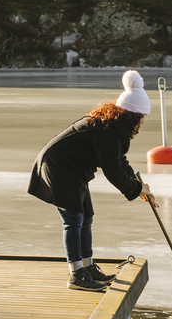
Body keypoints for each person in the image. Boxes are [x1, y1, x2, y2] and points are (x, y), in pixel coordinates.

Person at [28, 69, 155, 291]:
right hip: (58, 168)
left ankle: (87, 266)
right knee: (74, 219)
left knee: (86, 216)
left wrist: (139, 187)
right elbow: (113, 170)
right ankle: (77, 275)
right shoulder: (106, 131)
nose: (140, 123)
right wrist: (135, 188)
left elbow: (119, 160)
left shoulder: (112, 128)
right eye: (139, 119)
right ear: (130, 116)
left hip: (73, 170)